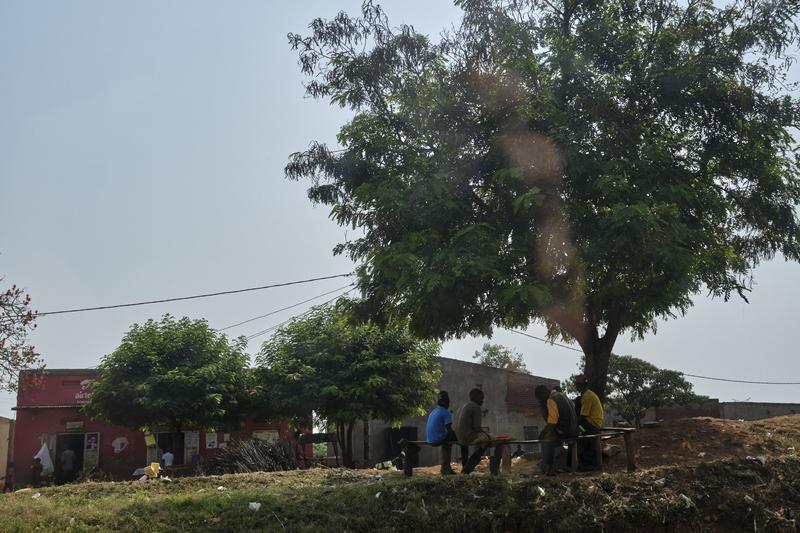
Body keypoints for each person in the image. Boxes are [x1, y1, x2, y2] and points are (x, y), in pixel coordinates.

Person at [455, 388, 503, 475]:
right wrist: (488, 435)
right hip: (467, 436)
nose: (482, 400)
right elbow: (477, 427)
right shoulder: (476, 407)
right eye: (481, 398)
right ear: (475, 398)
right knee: (487, 443)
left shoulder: (463, 406)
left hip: (459, 437)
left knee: (471, 443)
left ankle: (465, 467)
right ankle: (468, 468)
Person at [535, 384, 578, 476]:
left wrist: (543, 433)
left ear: (543, 394)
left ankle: (549, 469)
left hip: (566, 432)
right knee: (552, 435)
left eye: (540, 398)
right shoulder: (562, 395)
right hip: (574, 430)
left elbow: (552, 422)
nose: (541, 401)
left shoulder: (551, 399)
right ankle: (559, 465)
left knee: (546, 439)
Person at [574, 374, 605, 470]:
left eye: (579, 385)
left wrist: (575, 427)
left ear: (583, 385)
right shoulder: (586, 395)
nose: (578, 387)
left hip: (592, 423)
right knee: (580, 432)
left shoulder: (587, 396)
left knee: (582, 437)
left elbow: (583, 416)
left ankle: (588, 465)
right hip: (592, 422)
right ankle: (585, 463)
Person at [425, 390, 458, 475]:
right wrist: (457, 437)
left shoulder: (433, 411)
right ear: (447, 403)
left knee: (447, 440)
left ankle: (447, 468)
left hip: (429, 439)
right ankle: (445, 468)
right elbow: (449, 429)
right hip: (437, 439)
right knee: (450, 439)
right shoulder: (445, 412)